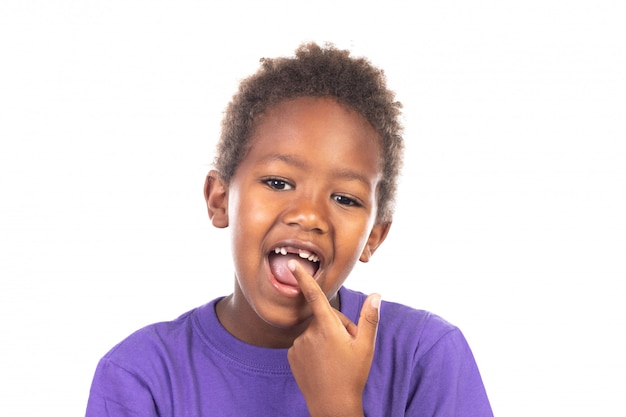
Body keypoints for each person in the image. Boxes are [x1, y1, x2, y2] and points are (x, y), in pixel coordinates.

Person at [85, 42, 493, 417]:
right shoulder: (140, 377)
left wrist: (337, 404)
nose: (309, 216)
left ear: (374, 236)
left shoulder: (426, 357)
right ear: (220, 198)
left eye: (345, 199)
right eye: (278, 183)